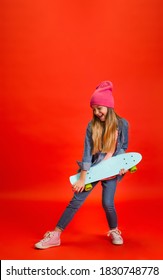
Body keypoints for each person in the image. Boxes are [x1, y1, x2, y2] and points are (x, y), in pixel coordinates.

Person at [35, 81, 129, 249]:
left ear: (109, 106)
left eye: (99, 107)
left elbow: (123, 147)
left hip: (111, 172)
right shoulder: (91, 126)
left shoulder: (123, 124)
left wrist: (122, 165)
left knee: (108, 204)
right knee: (76, 201)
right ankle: (55, 235)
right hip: (93, 170)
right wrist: (83, 178)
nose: (96, 112)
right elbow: (87, 153)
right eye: (93, 109)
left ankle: (114, 230)